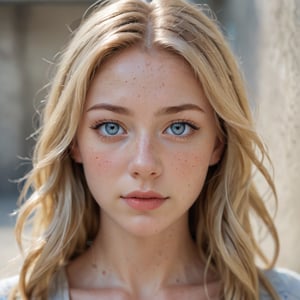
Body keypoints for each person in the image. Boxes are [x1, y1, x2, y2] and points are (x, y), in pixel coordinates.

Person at [1, 0, 300, 299]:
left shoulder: (283, 294)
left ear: (218, 143)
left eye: (179, 127)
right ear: (74, 142)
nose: (144, 164)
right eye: (111, 127)